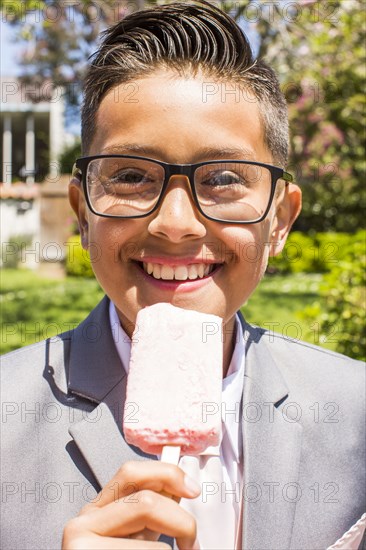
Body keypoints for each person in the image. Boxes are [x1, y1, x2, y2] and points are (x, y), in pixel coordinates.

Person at [1, 2, 365, 549]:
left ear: (281, 220)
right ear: (82, 213)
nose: (176, 225)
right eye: (129, 175)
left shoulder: (356, 410)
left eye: (222, 177)